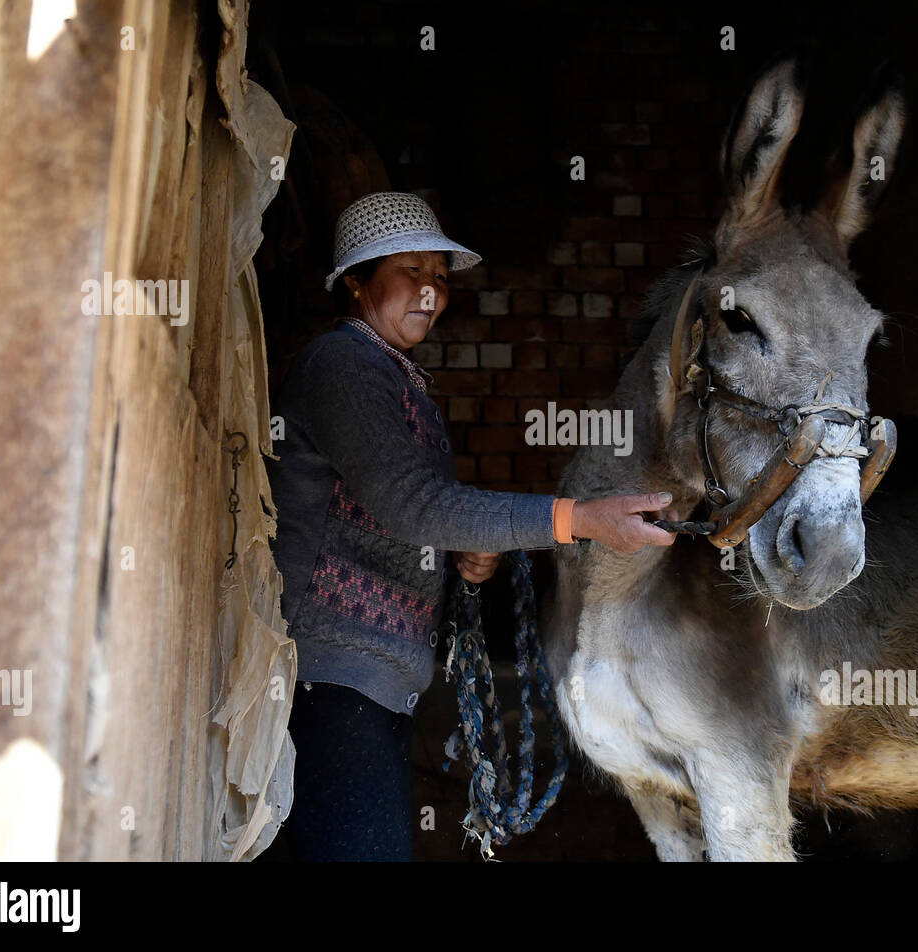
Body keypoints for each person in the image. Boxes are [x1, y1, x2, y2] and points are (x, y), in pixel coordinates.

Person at [267, 191, 679, 861]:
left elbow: (415, 513)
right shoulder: (342, 366)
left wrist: (464, 549)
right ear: (356, 282)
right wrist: (579, 520)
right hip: (329, 676)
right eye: (411, 270)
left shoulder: (403, 386)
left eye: (439, 275)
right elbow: (414, 506)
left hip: (373, 682)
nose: (431, 291)